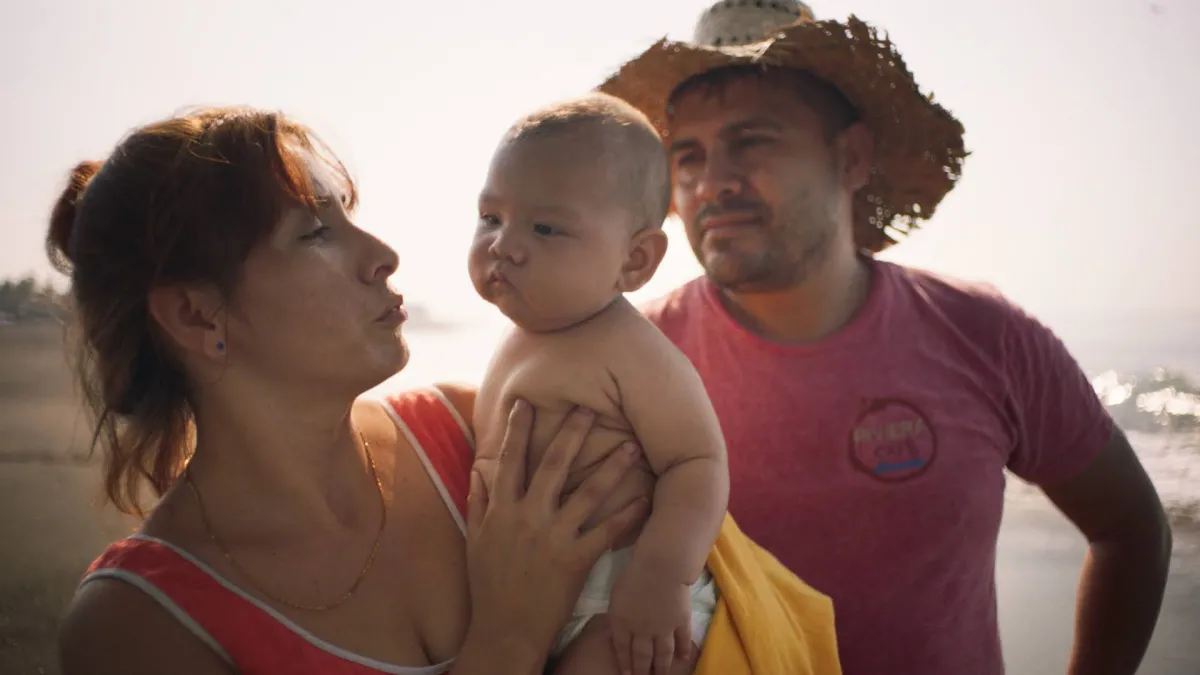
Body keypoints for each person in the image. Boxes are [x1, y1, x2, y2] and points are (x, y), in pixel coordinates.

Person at [597, 2, 1173, 674]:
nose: (711, 182)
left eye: (752, 141)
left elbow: (1132, 529)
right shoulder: (630, 361)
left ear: (852, 157)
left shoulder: (984, 335)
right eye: (686, 155)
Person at [48, 105, 653, 675]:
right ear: (197, 316)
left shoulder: (482, 430)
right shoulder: (139, 623)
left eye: (348, 214)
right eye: (314, 232)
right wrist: (510, 636)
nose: (383, 255)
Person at [469, 93, 728, 675]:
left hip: (628, 600)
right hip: (532, 595)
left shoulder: (631, 349)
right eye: (491, 218)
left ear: (635, 261)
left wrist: (662, 573)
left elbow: (698, 461)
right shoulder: (518, 340)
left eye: (545, 227)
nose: (504, 244)